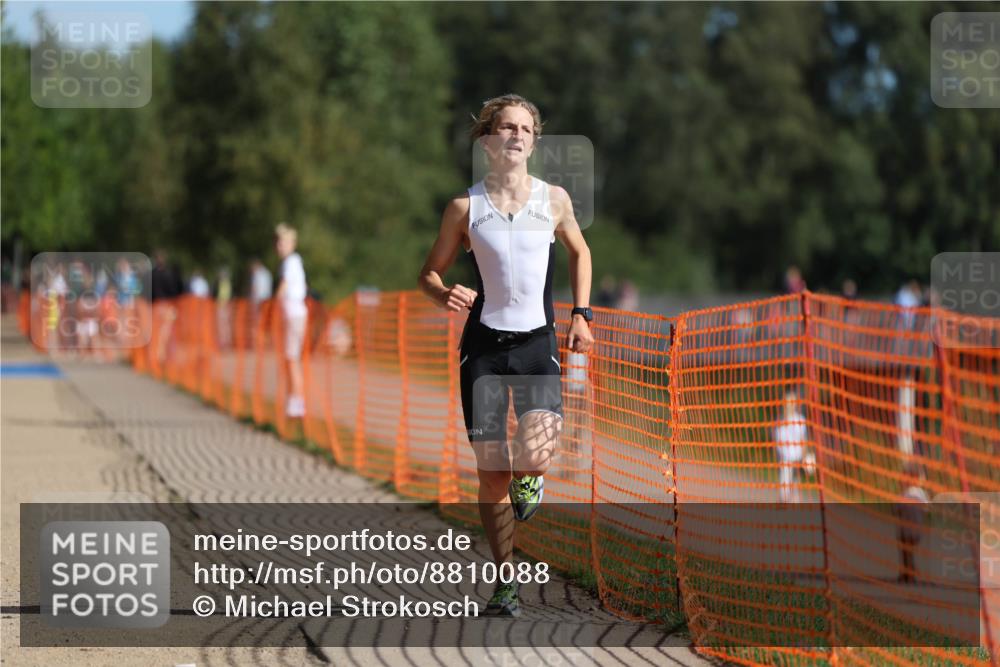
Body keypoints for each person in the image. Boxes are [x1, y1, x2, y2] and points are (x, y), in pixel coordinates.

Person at [418, 94, 594, 616]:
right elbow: (428, 274)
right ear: (488, 140)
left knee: (534, 457)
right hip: (484, 352)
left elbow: (580, 251)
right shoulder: (465, 208)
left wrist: (581, 314)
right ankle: (505, 585)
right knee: (492, 473)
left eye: (525, 129)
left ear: (534, 142)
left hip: (537, 344)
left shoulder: (553, 199)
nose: (516, 135)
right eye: (506, 127)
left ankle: (531, 479)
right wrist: (442, 292)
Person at [274, 223, 308, 418]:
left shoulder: (291, 261)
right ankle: (295, 400)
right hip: (292, 316)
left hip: (295, 315)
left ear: (292, 243)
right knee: (291, 359)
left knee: (292, 358)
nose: (279, 246)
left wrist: (273, 303)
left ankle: (297, 403)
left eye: (283, 242)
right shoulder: (291, 262)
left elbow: (284, 285)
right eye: (278, 242)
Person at [775, 390, 810, 503]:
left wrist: (804, 459)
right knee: (784, 494)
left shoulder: (800, 420)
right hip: (784, 461)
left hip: (796, 460)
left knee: (795, 493)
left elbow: (803, 440)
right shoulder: (780, 421)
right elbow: (777, 442)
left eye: (792, 402)